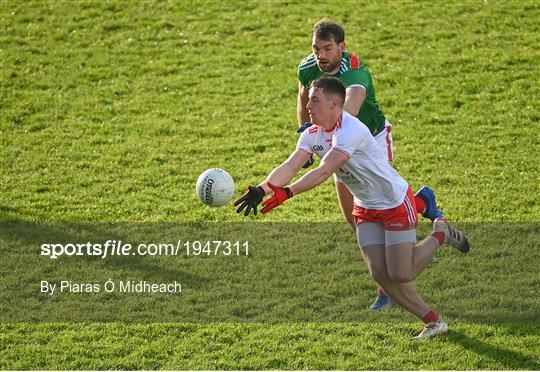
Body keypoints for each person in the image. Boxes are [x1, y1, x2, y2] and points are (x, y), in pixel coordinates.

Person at [235, 77, 470, 340]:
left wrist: (288, 192)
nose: (308, 105)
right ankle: (434, 323)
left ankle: (442, 233)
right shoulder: (312, 133)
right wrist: (262, 189)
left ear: (335, 103)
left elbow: (325, 171)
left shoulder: (350, 130)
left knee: (401, 273)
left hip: (393, 202)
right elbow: (290, 165)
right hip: (365, 207)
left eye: (314, 100)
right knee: (380, 273)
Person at [296, 20, 443, 310]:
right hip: (337, 144)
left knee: (380, 199)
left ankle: (387, 286)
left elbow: (350, 106)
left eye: (327, 48)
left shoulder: (356, 71)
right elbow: (303, 96)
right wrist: (304, 129)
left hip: (371, 139)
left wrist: (322, 135)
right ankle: (422, 203)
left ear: (342, 46)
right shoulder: (308, 67)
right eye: (316, 49)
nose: (321, 55)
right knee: (354, 217)